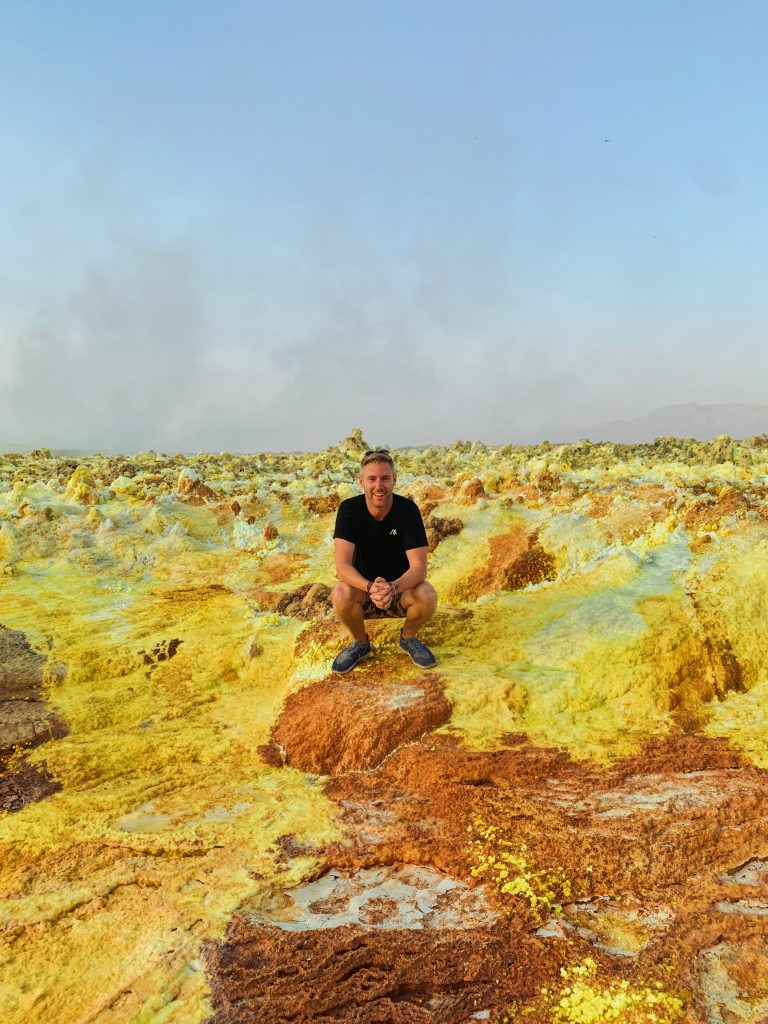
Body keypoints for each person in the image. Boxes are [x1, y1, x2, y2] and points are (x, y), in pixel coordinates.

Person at [330, 448, 438, 673]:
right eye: (372, 479)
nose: (378, 486)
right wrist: (370, 587)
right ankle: (360, 643)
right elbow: (342, 566)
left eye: (385, 478)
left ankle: (408, 638)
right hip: (364, 593)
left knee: (427, 594)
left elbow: (419, 568)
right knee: (340, 593)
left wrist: (392, 587)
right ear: (361, 481)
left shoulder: (408, 510)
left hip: (400, 593)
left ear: (394, 481)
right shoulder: (349, 509)